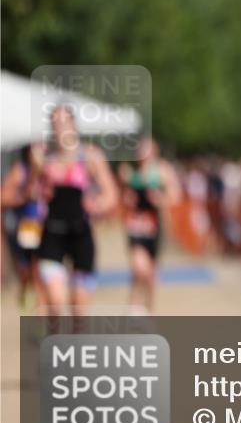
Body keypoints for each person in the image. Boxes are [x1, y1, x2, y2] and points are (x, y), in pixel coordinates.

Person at [35, 104, 118, 328]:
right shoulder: (42, 157)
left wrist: (97, 205)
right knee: (55, 300)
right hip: (52, 233)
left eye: (64, 122)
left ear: (73, 124)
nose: (60, 128)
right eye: (55, 123)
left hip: (81, 234)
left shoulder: (89, 156)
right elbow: (28, 190)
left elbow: (111, 194)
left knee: (79, 309)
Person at [117, 137, 182, 312]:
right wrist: (126, 197)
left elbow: (176, 195)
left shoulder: (162, 171)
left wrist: (161, 199)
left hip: (156, 226)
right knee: (139, 267)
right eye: (139, 150)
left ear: (154, 151)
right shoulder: (129, 171)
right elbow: (122, 197)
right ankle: (134, 308)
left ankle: (147, 311)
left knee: (151, 274)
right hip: (136, 226)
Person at [1, 142, 48, 311]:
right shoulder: (19, 170)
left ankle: (41, 310)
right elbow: (3, 198)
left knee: (42, 272)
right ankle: (27, 291)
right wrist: (24, 196)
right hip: (27, 228)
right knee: (30, 272)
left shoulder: (51, 169)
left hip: (49, 228)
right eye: (36, 147)